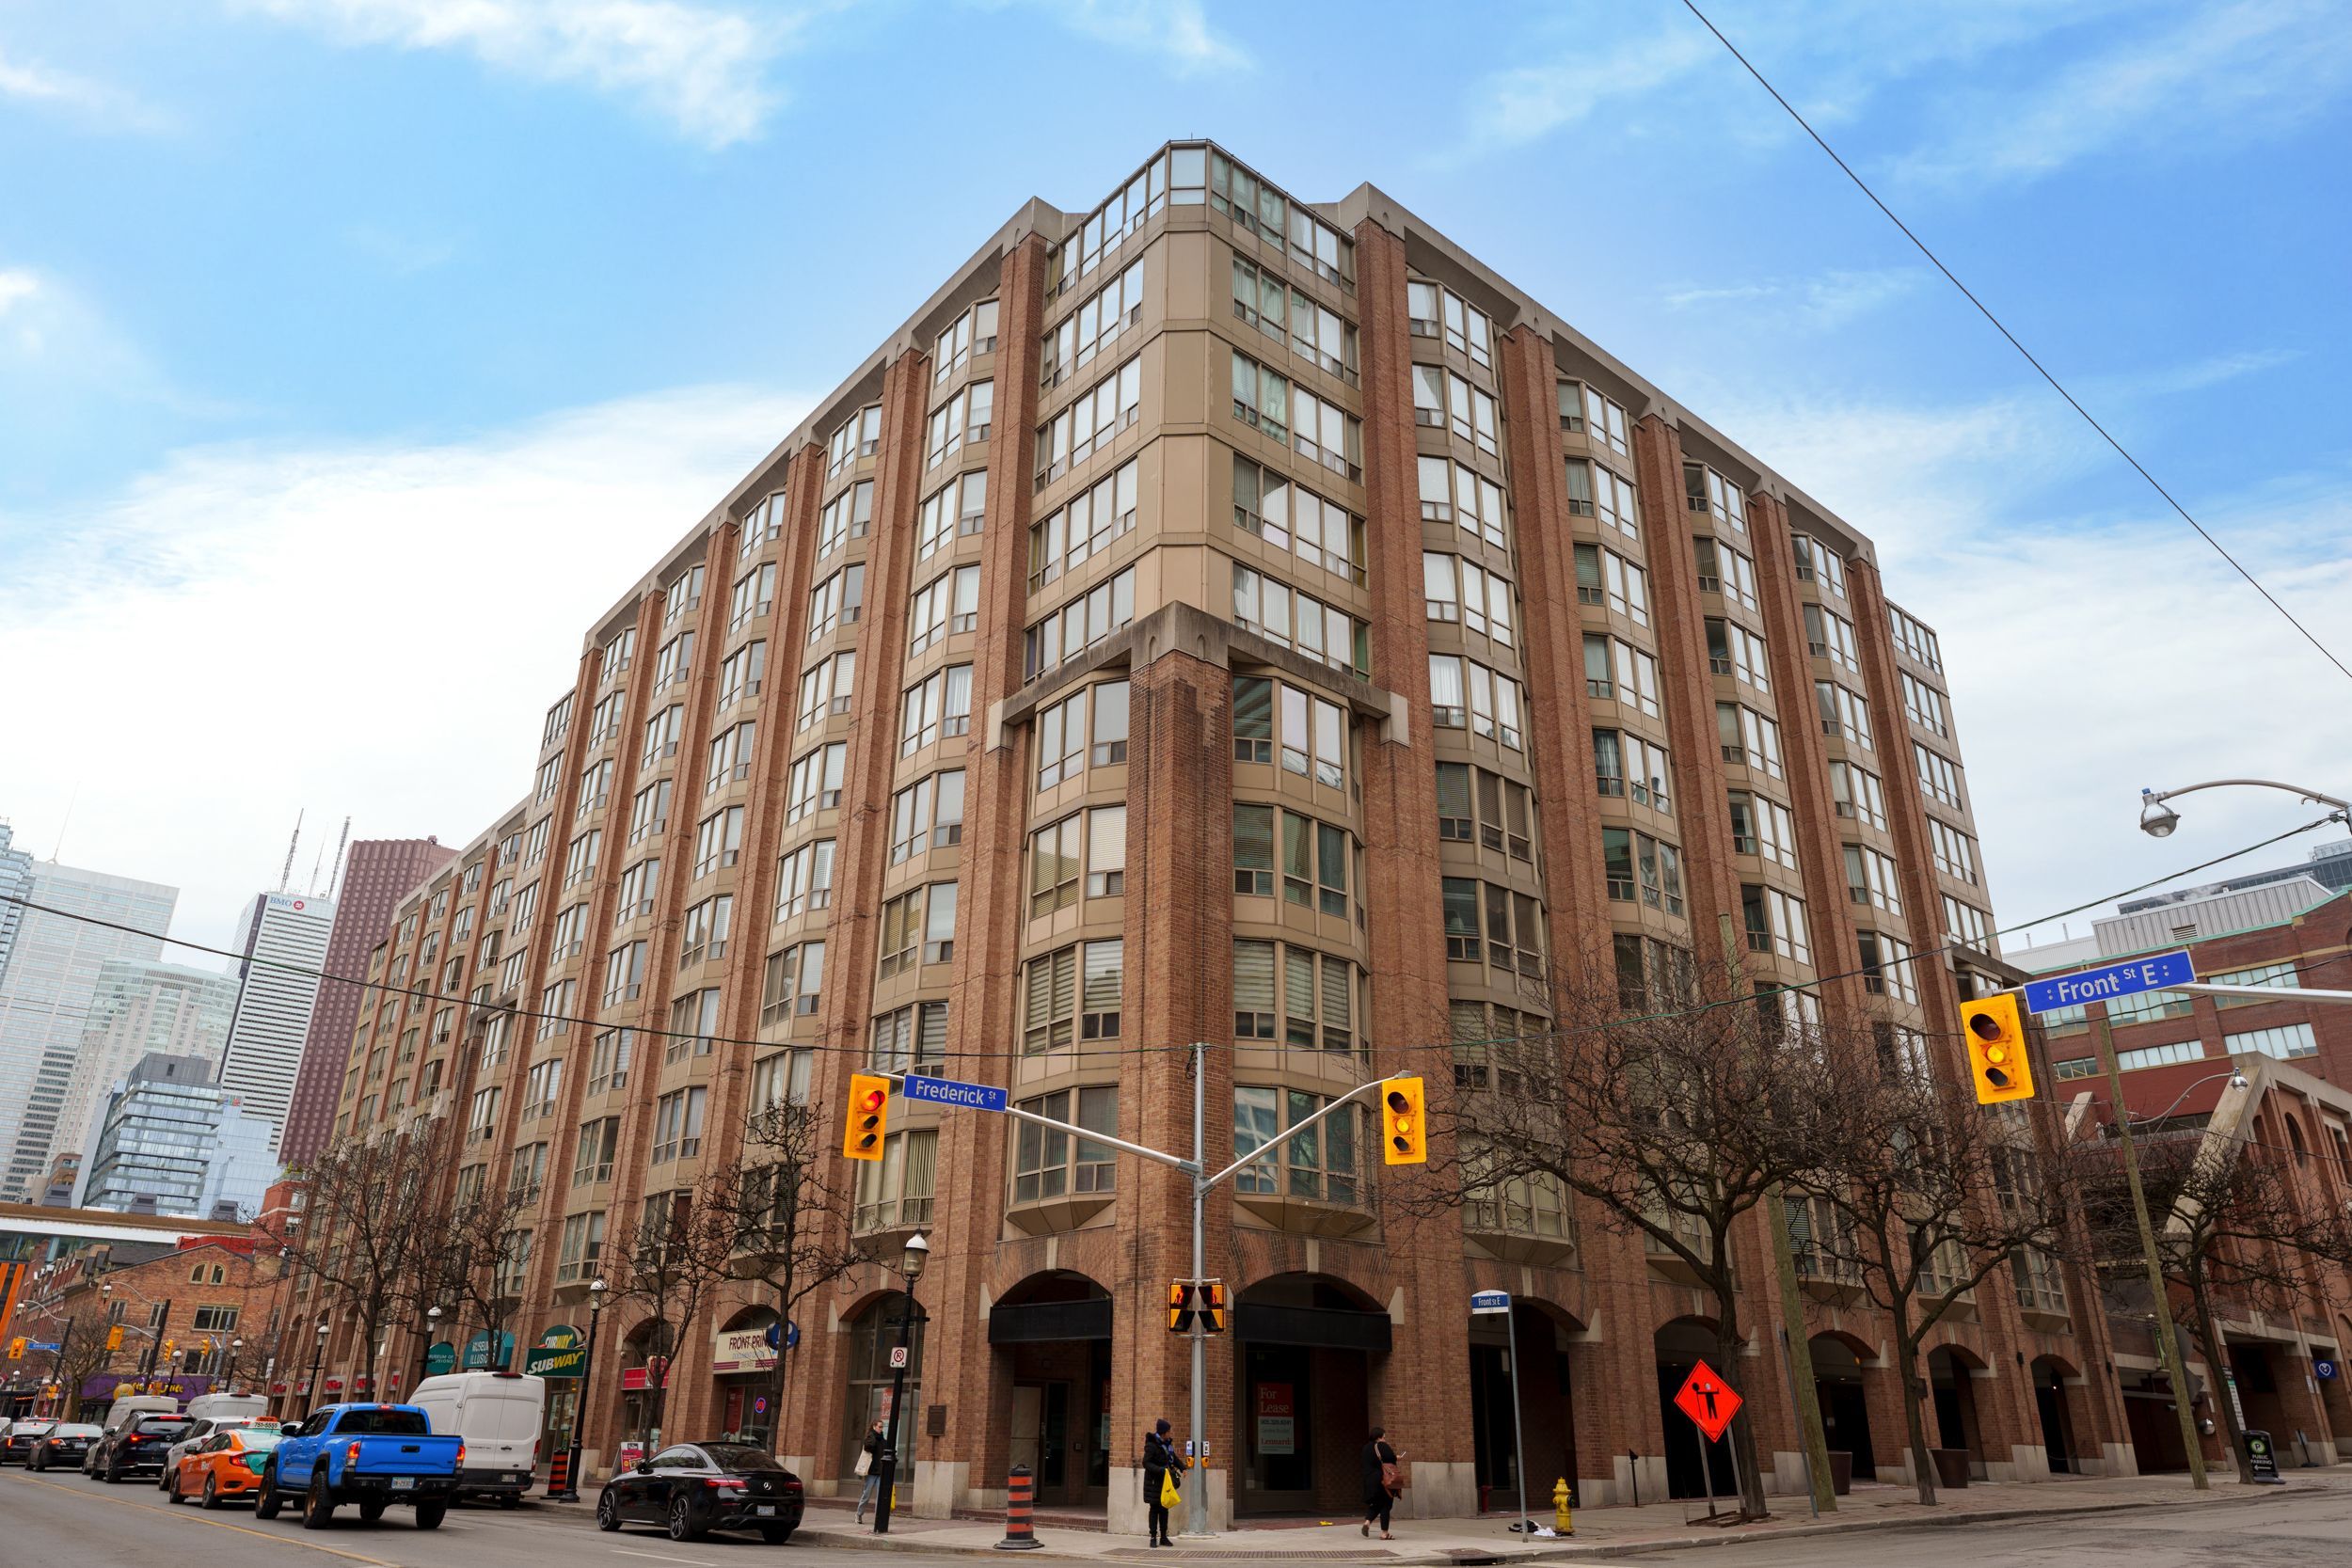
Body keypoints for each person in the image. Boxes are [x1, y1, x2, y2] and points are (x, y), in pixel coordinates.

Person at [1142, 1417, 1181, 1548]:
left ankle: (1164, 1537)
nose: (1170, 1433)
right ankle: (1153, 1537)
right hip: (1154, 1482)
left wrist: (1183, 1468)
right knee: (1154, 1509)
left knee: (1164, 1508)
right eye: (1168, 1431)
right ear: (1163, 1432)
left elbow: (1173, 1458)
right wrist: (1161, 1470)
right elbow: (1146, 1463)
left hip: (1165, 1482)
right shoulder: (1152, 1445)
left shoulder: (1167, 1445)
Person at [1361, 1426, 1402, 1540]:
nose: (1385, 1439)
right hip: (1382, 1479)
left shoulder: (1365, 1448)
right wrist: (1396, 1457)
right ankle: (1384, 1533)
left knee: (1377, 1503)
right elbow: (1390, 1458)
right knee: (1386, 1504)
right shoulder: (1382, 1445)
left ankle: (1367, 1522)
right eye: (1384, 1437)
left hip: (1369, 1480)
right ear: (1379, 1437)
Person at [854, 1419, 888, 1523]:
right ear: (874, 1427)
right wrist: (872, 1434)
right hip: (871, 1472)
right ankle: (859, 1514)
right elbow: (868, 1447)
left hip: (881, 1472)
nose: (881, 1429)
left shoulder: (883, 1440)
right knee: (866, 1495)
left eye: (882, 1427)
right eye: (879, 1427)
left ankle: (878, 1518)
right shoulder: (870, 1438)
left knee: (880, 1497)